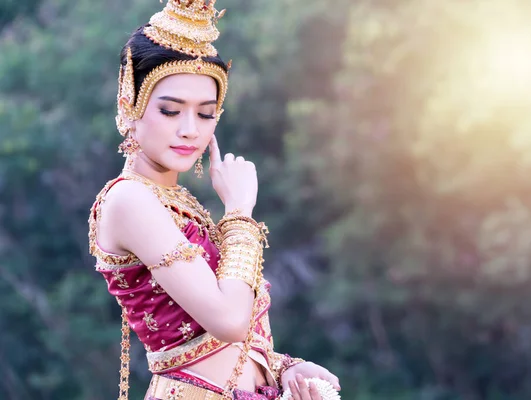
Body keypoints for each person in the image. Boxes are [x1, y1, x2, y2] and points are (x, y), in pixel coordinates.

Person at [88, 1, 341, 399]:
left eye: (205, 114)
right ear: (129, 104)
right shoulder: (128, 200)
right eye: (171, 110)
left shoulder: (181, 202)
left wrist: (283, 367)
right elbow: (227, 320)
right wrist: (239, 214)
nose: (189, 130)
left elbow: (226, 340)